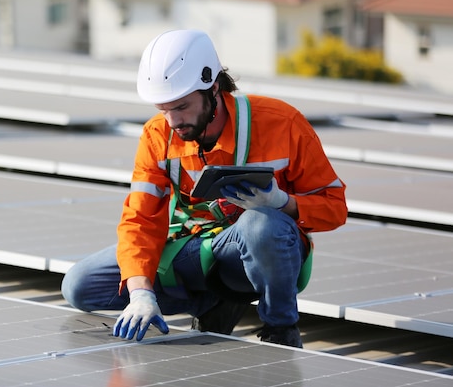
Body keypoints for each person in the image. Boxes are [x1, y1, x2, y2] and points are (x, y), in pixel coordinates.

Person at [62, 29, 347, 348]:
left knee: (261, 224)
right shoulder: (158, 135)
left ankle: (281, 326)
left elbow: (334, 208)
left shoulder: (282, 124)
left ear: (212, 88)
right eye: (163, 109)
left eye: (181, 107)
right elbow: (140, 220)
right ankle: (211, 304)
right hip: (191, 248)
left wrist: (282, 203)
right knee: (79, 286)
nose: (172, 121)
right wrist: (141, 293)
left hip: (253, 253)